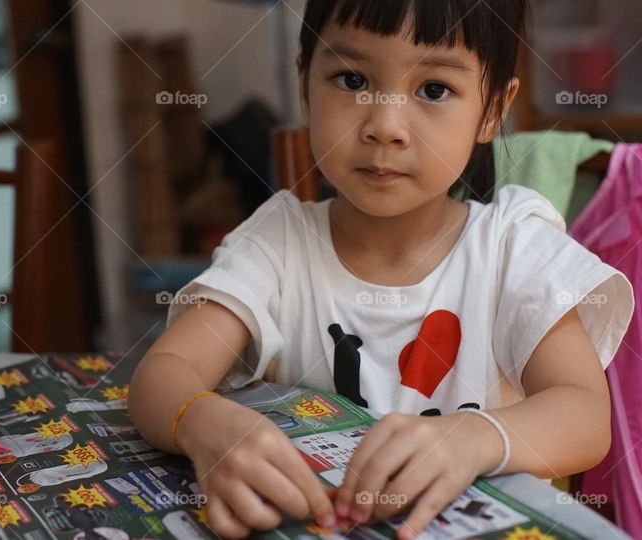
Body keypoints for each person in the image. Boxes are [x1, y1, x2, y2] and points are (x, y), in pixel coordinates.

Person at [127, 1, 635, 538]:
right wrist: (207, 424)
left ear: (491, 110)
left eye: (434, 89)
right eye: (352, 79)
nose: (385, 126)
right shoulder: (276, 243)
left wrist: (472, 437)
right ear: (305, 85)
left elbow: (584, 415)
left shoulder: (514, 246)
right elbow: (164, 373)